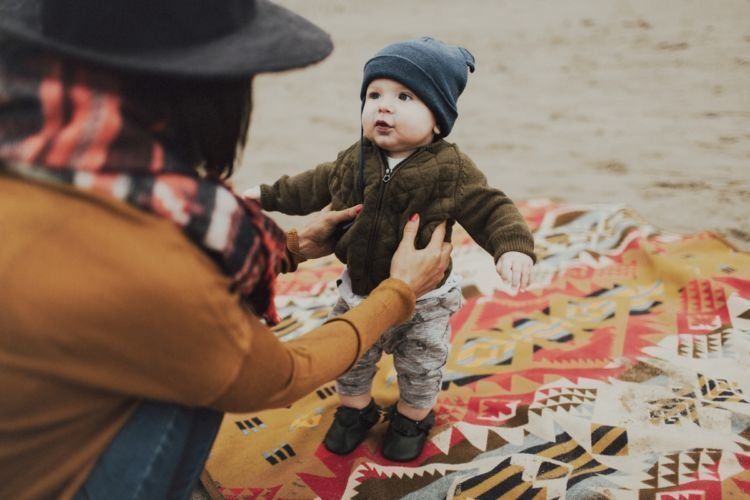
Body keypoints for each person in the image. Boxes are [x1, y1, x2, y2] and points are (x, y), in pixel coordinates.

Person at [0, 2, 452, 499]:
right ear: (205, 97)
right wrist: (399, 293)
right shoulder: (163, 259)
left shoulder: (34, 154)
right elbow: (278, 376)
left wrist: (295, 245)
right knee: (194, 381)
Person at [244, 37, 536, 462]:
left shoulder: (451, 170)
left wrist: (513, 248)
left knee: (421, 367)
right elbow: (311, 184)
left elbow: (491, 208)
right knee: (351, 362)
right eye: (374, 95)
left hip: (425, 301)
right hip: (358, 292)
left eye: (405, 97)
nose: (384, 106)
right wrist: (265, 195)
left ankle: (411, 418)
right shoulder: (354, 158)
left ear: (438, 119)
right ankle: (356, 413)